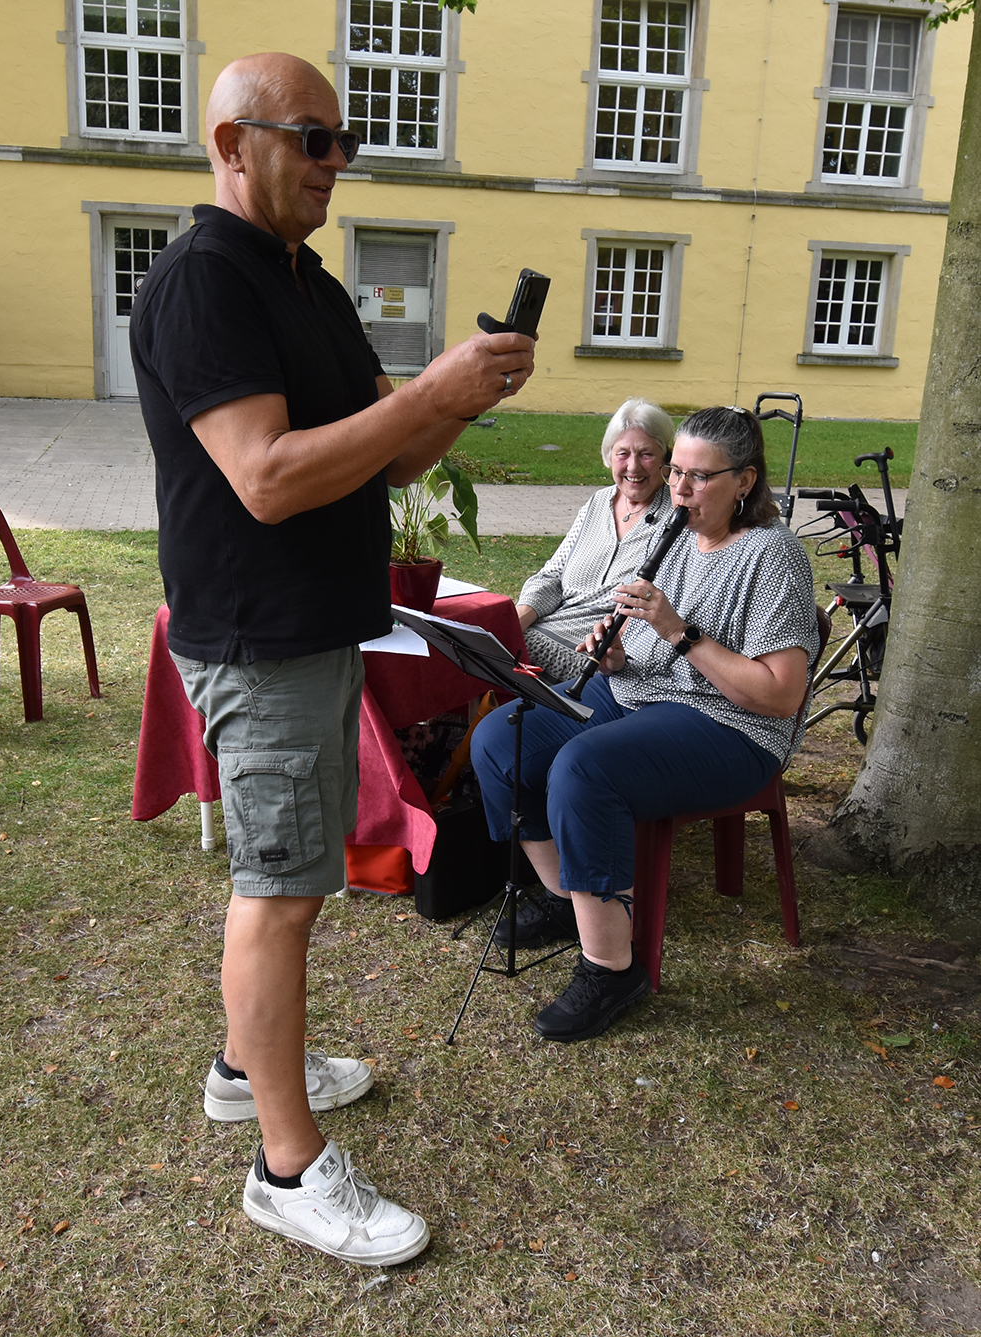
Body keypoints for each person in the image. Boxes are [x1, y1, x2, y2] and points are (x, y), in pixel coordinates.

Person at [129, 52, 534, 1266]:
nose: (335, 163)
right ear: (231, 142)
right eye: (312, 139)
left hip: (315, 628)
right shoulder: (204, 278)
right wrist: (431, 391)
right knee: (282, 888)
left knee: (291, 873)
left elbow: (389, 456)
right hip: (261, 636)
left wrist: (457, 398)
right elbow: (265, 475)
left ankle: (244, 1066)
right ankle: (286, 1168)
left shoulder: (307, 282)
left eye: (342, 142)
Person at [472, 406, 820, 1042]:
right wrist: (615, 656)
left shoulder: (772, 556)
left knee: (585, 768)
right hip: (639, 695)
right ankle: (566, 899)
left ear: (744, 481)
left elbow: (779, 696)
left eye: (699, 477)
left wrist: (678, 632)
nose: (679, 489)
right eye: (677, 472)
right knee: (501, 739)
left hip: (731, 727)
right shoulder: (677, 537)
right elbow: (643, 654)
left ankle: (612, 969)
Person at [516, 399, 675, 683]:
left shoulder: (675, 519)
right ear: (609, 455)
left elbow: (647, 608)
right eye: (623, 453)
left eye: (647, 454)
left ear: (666, 458)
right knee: (479, 643)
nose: (633, 466)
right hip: (545, 628)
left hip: (598, 654)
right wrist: (517, 621)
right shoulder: (598, 502)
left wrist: (610, 649)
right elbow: (552, 575)